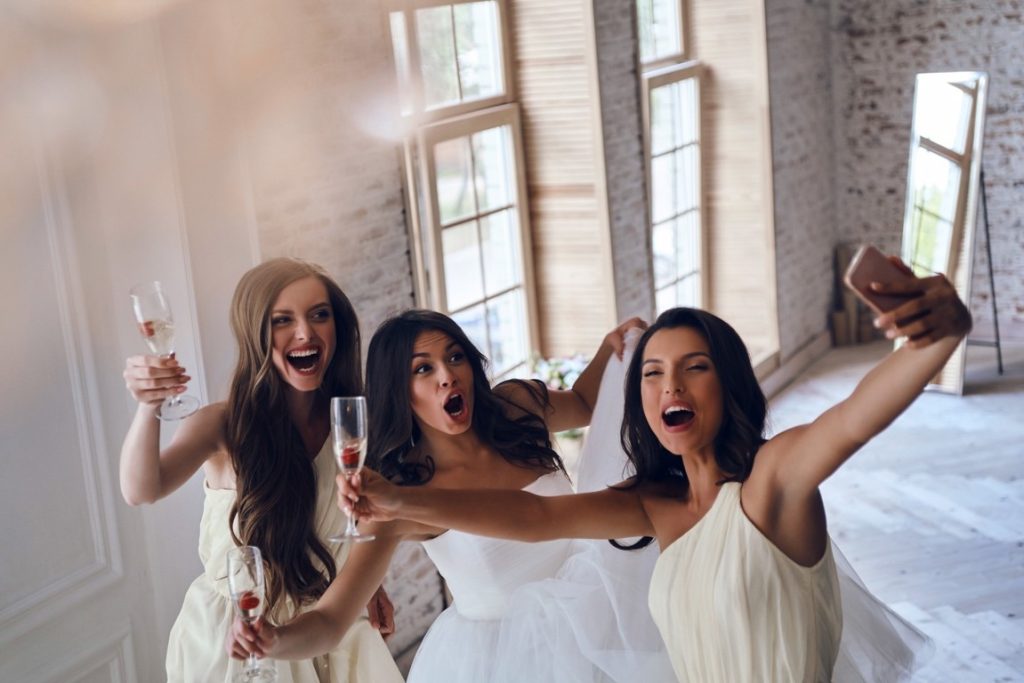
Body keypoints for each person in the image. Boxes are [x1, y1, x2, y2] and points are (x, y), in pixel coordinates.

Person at [338, 268, 971, 682]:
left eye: (694, 367)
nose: (670, 384)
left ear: (730, 382)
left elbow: (853, 419)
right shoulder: (652, 503)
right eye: (651, 372)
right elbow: (533, 517)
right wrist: (398, 500)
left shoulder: (773, 481)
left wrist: (937, 339)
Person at [227, 309, 675, 682]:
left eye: (455, 357)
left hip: (598, 622)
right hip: (506, 665)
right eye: (423, 368)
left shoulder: (516, 408)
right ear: (398, 392)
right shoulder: (402, 498)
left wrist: (617, 345)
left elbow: (584, 399)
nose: (447, 376)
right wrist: (274, 638)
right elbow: (329, 621)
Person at [120, 258, 402, 683]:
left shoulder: (354, 430)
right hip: (237, 645)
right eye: (282, 320)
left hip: (330, 635)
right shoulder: (222, 426)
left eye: (319, 315)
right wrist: (147, 407)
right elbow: (142, 489)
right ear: (256, 334)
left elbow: (343, 525)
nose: (305, 332)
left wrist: (364, 582)